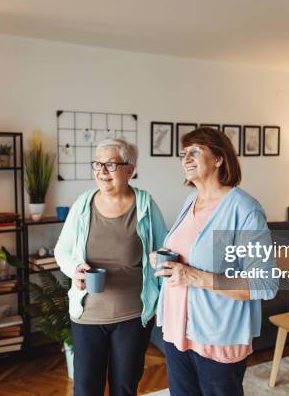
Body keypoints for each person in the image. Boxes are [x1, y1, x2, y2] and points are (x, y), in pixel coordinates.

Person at [152, 127, 278, 396]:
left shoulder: (244, 209)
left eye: (195, 152)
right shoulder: (191, 200)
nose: (185, 159)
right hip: (177, 331)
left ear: (219, 159)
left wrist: (193, 276)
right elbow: (191, 249)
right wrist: (163, 255)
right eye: (183, 153)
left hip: (217, 335)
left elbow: (264, 283)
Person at [55, 138, 168, 396]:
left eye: (110, 165)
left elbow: (164, 248)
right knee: (85, 389)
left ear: (130, 169)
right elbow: (62, 250)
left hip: (132, 315)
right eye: (97, 164)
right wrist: (76, 269)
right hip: (88, 314)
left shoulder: (145, 205)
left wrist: (159, 259)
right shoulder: (83, 205)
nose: (101, 171)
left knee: (125, 387)